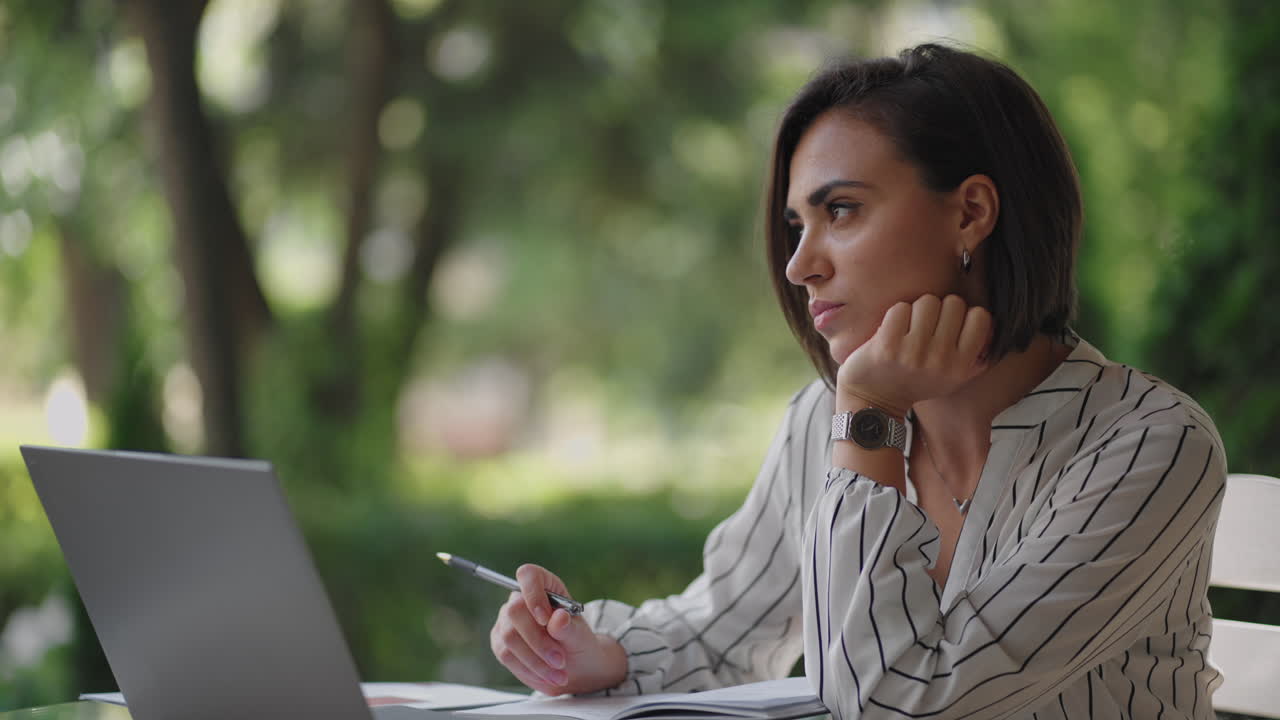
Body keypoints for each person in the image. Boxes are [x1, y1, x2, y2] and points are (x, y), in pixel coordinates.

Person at [488, 43, 1227, 719]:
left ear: (971, 212)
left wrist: (871, 417)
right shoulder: (827, 419)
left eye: (840, 210)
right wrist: (597, 653)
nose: (799, 264)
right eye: (795, 225)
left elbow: (906, 706)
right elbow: (725, 629)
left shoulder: (1148, 445)